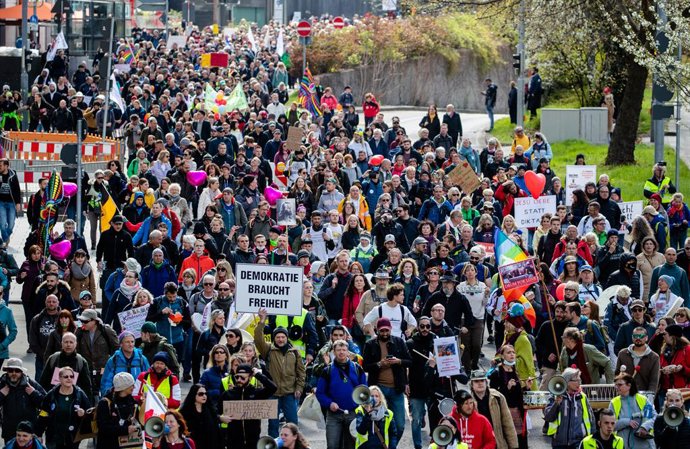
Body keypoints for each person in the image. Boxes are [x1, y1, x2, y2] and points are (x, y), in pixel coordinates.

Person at [254, 309, 306, 438]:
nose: (280, 339)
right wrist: (261, 321)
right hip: (273, 394)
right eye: (278, 337)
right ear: (274, 338)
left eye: (283, 337)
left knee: (293, 424)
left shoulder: (294, 352)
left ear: (287, 338)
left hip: (290, 394)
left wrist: (299, 388)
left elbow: (301, 372)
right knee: (273, 425)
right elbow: (258, 339)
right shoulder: (268, 350)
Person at [362, 318, 412, 441]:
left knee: (400, 425)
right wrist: (380, 364)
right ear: (377, 330)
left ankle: (391, 445)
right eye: (382, 331)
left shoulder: (399, 342)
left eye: (387, 330)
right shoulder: (370, 344)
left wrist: (398, 361)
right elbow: (365, 366)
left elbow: (410, 362)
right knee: (379, 424)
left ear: (391, 329)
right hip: (378, 390)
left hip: (397, 389)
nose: (384, 333)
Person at [217, 363, 277, 449]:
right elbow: (214, 412)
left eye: (242, 378)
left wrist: (258, 375)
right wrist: (220, 418)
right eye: (237, 377)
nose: (239, 380)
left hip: (253, 440)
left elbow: (273, 388)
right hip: (233, 441)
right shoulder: (227, 394)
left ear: (250, 377)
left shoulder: (256, 393)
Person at [36, 366, 90, 449]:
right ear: (59, 378)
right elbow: (43, 414)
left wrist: (83, 414)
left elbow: (89, 412)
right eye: (66, 376)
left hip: (72, 437)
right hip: (54, 437)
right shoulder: (51, 395)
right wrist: (39, 434)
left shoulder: (80, 394)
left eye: (71, 376)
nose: (69, 379)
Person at [544, 367, 595, 449]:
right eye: (576, 380)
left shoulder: (582, 397)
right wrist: (556, 404)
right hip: (559, 443)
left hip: (578, 442)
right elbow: (548, 417)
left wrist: (593, 437)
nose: (579, 383)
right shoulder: (556, 395)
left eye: (579, 380)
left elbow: (591, 418)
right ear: (567, 382)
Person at [0, 359, 46, 442]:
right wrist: (1, 395)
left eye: (17, 370)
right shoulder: (1, 384)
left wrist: (34, 393)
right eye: (10, 370)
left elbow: (46, 404)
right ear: (7, 372)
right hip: (9, 432)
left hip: (29, 431)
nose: (14, 373)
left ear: (21, 372)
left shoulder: (31, 384)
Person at [471, 369, 518, 449]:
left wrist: (514, 446)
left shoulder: (498, 397)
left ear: (486, 382)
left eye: (482, 381)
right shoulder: (468, 402)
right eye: (476, 381)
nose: (480, 383)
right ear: (472, 385)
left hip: (498, 444)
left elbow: (508, 424)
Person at [609, 372, 657, 449]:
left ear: (629, 385)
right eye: (616, 385)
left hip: (644, 445)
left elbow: (654, 417)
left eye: (620, 385)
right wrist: (626, 422)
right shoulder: (614, 402)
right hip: (623, 446)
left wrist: (645, 427)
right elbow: (610, 425)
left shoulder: (643, 399)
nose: (616, 387)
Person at [95, 372, 139, 449]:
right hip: (108, 444)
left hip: (127, 444)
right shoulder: (105, 403)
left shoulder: (132, 401)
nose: (134, 387)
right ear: (123, 387)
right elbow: (103, 427)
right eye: (131, 385)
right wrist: (125, 429)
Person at [615, 326, 660, 393]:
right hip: (625, 394)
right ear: (632, 337)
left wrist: (650, 396)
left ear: (646, 338)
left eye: (641, 336)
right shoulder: (622, 354)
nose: (638, 338)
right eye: (635, 336)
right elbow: (617, 374)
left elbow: (654, 380)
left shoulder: (654, 357)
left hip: (644, 395)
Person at [179, 384, 219, 449]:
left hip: (210, 444)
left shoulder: (210, 410)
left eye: (206, 394)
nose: (204, 396)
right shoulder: (185, 412)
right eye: (201, 394)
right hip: (194, 444)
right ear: (194, 395)